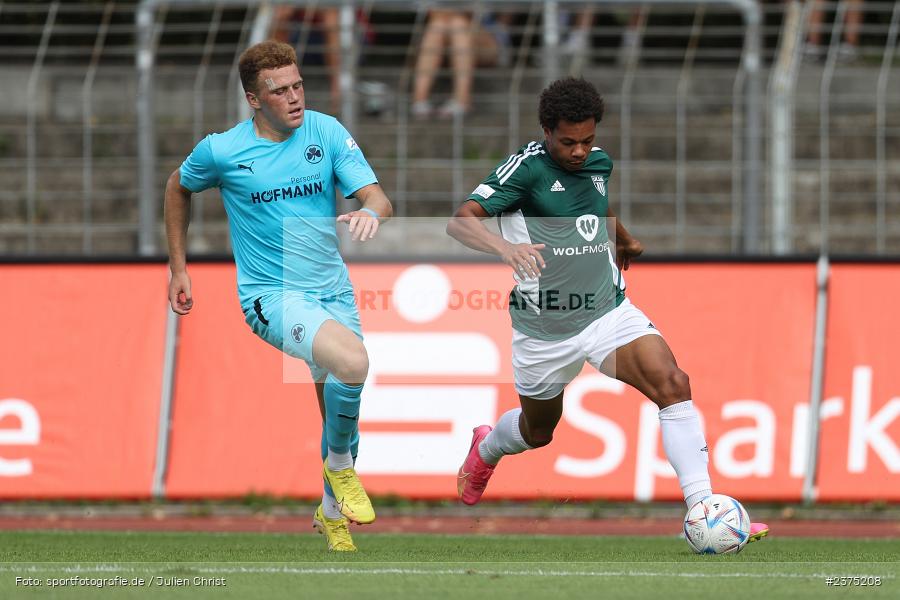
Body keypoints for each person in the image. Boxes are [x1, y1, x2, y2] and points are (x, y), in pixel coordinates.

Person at [446, 77, 769, 542]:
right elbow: (461, 221)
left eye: (588, 140)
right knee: (538, 432)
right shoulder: (524, 169)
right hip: (545, 328)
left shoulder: (599, 164)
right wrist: (503, 248)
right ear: (547, 131)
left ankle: (704, 511)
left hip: (606, 311)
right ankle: (487, 447)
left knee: (673, 384)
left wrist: (623, 239)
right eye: (568, 142)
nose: (580, 151)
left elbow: (593, 209)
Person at [165, 41, 393, 552]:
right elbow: (178, 186)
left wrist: (369, 214)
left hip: (333, 291)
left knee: (339, 416)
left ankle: (330, 515)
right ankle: (340, 472)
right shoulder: (222, 151)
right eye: (279, 91)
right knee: (354, 363)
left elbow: (377, 196)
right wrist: (178, 267)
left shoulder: (326, 131)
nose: (294, 98)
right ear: (253, 99)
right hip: (271, 295)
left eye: (298, 86)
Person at [411, 9, 475, 120]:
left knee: (458, 24)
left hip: (484, 37)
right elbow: (433, 13)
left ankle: (462, 100)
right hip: (443, 32)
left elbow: (472, 13)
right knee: (437, 25)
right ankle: (420, 101)